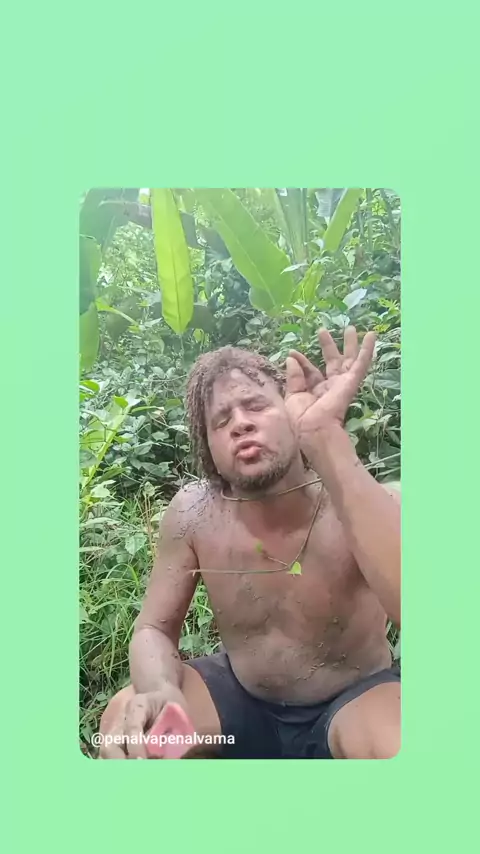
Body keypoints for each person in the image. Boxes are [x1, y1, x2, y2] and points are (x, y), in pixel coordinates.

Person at [99, 326, 401, 759]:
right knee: (127, 720)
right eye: (221, 421)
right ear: (208, 447)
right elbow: (153, 629)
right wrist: (162, 689)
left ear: (293, 411)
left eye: (256, 405)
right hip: (241, 701)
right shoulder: (193, 513)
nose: (241, 424)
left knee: (396, 741)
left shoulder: (362, 501)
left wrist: (327, 442)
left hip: (354, 702)